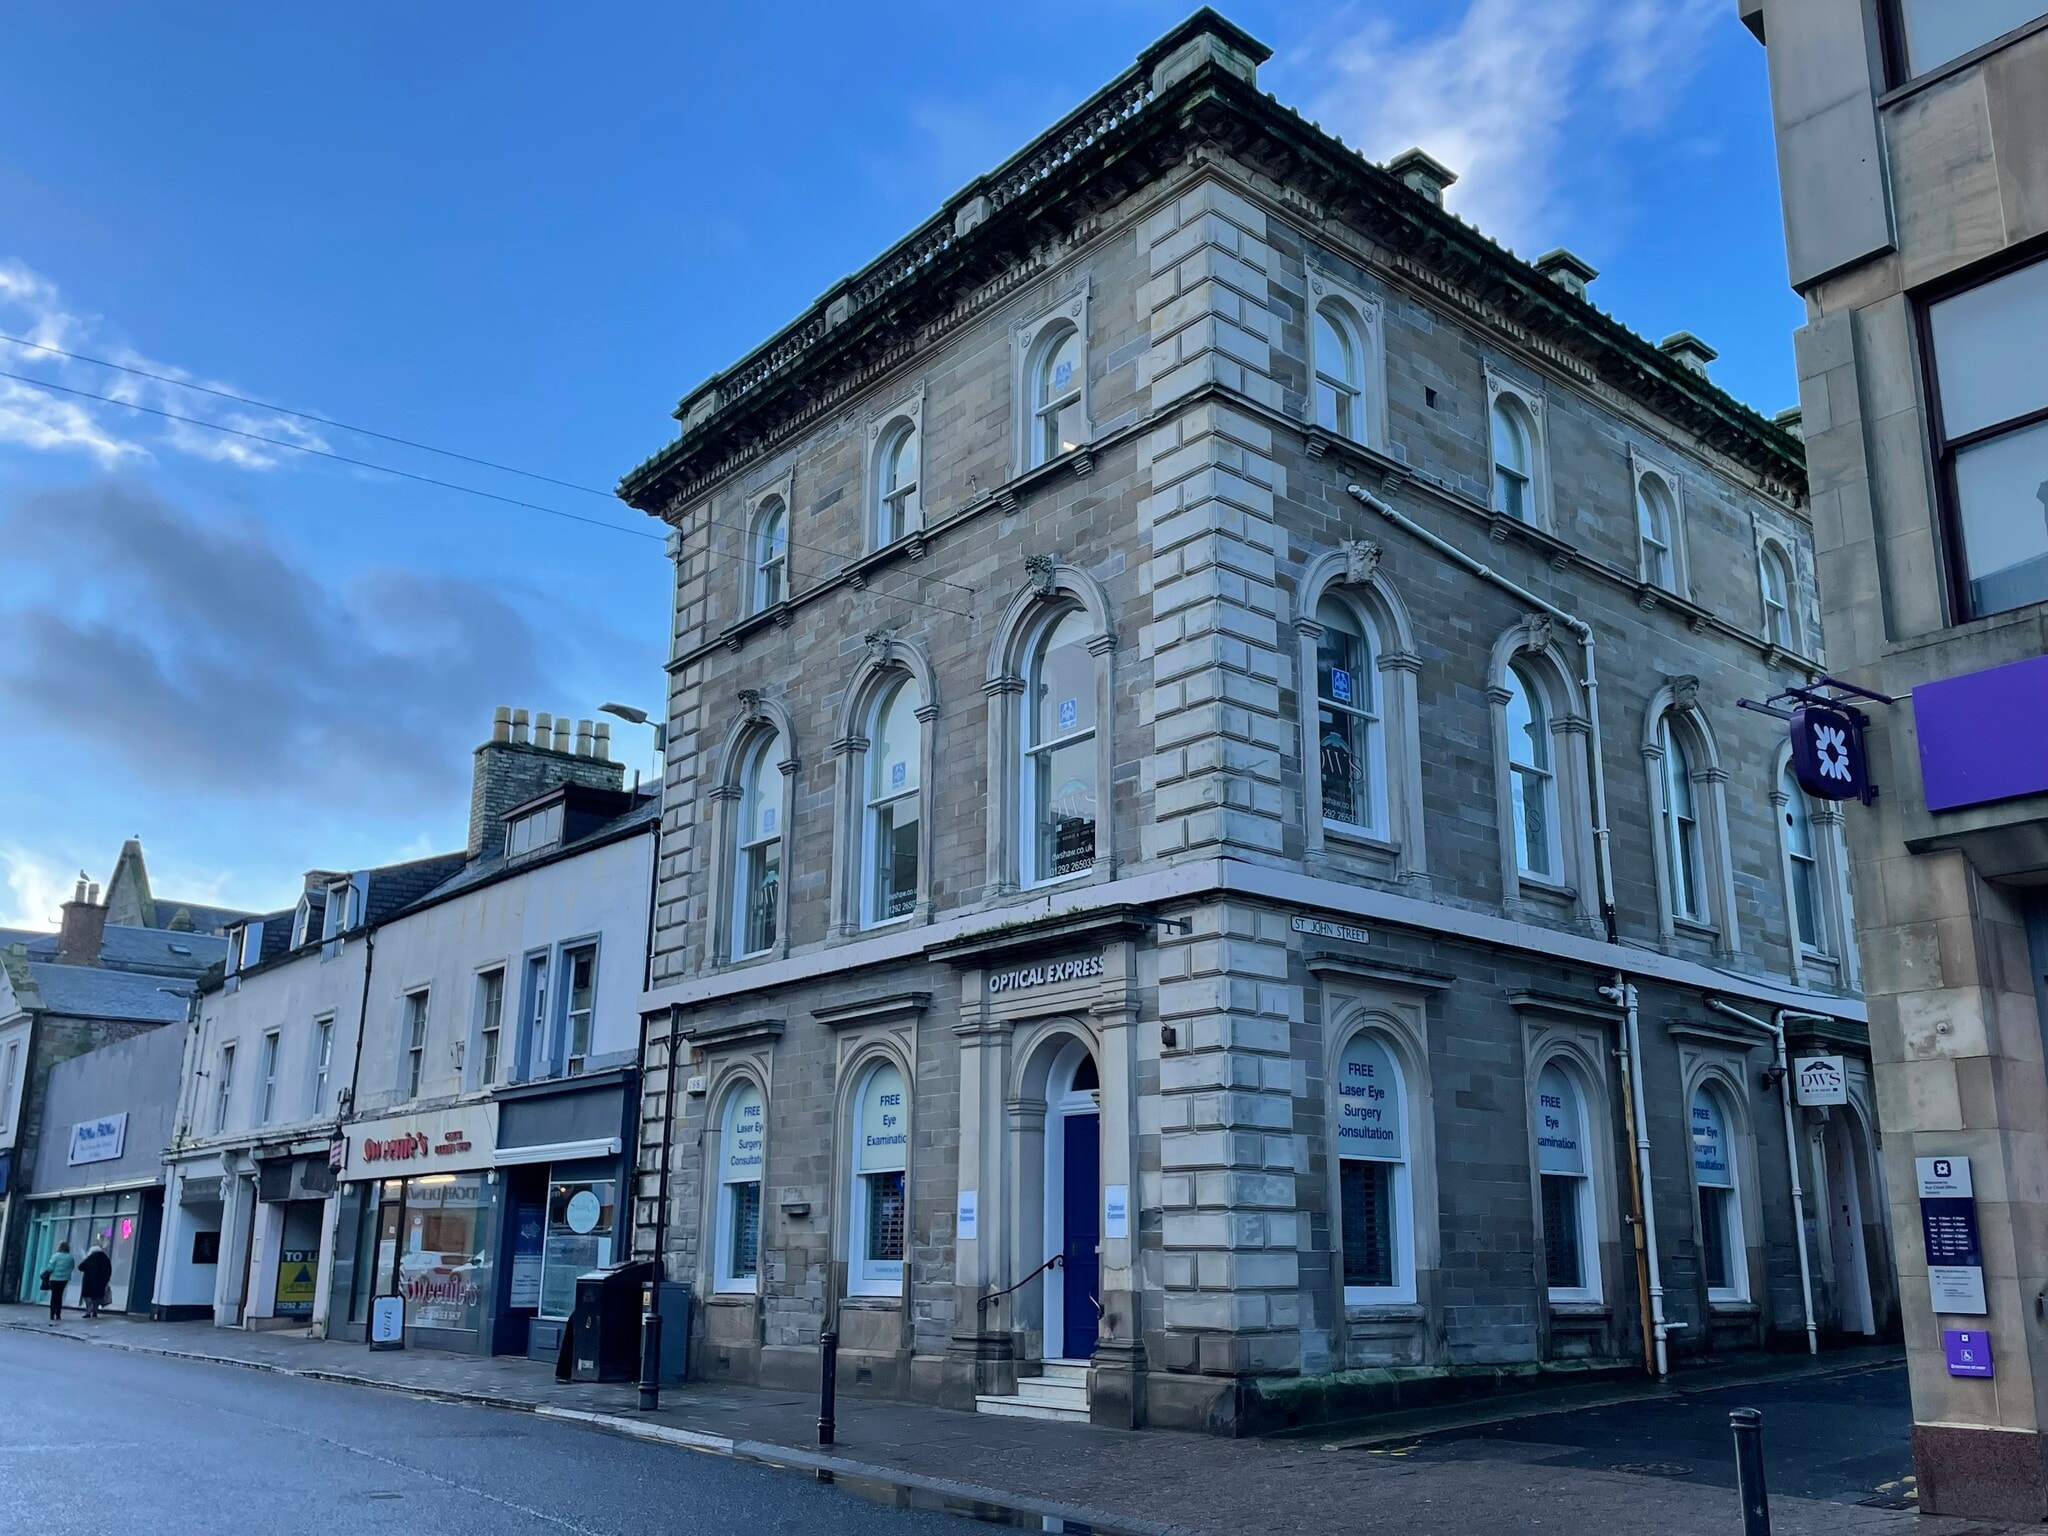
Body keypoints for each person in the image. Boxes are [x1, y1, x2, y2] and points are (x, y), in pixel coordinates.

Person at [41, 1241, 74, 1323]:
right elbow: (72, 1267)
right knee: (60, 1296)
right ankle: (58, 1314)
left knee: (54, 1296)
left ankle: (52, 1314)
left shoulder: (55, 1256)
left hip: (55, 1278)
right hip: (65, 1279)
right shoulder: (70, 1257)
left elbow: (50, 1268)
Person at [77, 1244, 112, 1320]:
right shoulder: (105, 1258)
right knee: (97, 1297)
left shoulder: (90, 1258)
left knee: (87, 1296)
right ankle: (95, 1311)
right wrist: (106, 1279)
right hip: (101, 1282)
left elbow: (80, 1267)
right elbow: (109, 1270)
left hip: (88, 1281)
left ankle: (88, 1311)